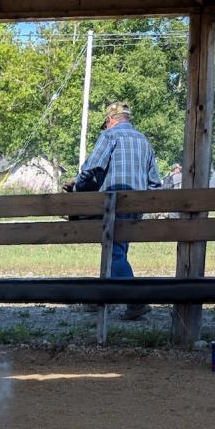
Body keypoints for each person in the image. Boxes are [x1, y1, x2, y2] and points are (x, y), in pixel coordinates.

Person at [66, 101, 162, 320]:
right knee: (118, 250)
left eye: (106, 123)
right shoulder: (144, 141)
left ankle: (135, 301)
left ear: (110, 120)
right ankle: (103, 297)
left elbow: (90, 168)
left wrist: (78, 189)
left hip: (114, 203)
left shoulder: (109, 136)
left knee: (114, 252)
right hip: (137, 205)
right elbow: (155, 182)